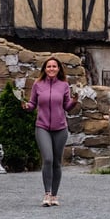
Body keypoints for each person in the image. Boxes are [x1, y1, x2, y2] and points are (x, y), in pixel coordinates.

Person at [22, 57, 77, 206]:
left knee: (57, 162)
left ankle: (54, 195)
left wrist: (75, 100)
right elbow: (33, 104)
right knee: (48, 159)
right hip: (42, 127)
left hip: (60, 128)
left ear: (59, 69)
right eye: (48, 66)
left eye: (54, 66)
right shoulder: (38, 84)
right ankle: (47, 194)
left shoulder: (64, 85)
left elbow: (67, 106)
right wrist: (26, 106)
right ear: (44, 69)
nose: (51, 69)